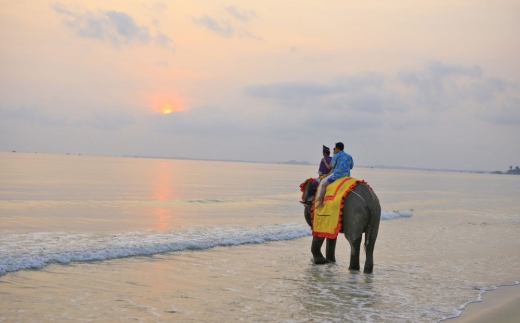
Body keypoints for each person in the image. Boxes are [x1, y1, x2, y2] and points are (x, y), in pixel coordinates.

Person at [315, 142, 354, 209]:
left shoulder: (336, 155)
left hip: (337, 175)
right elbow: (351, 167)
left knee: (323, 183)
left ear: (337, 148)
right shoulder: (349, 156)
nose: (334, 149)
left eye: (335, 148)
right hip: (347, 175)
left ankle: (320, 202)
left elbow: (331, 166)